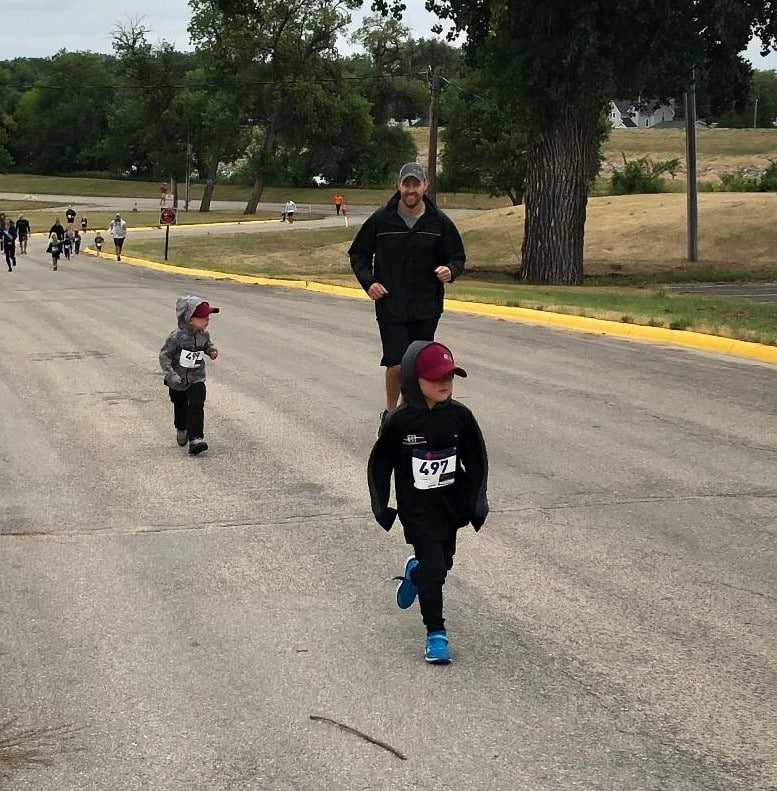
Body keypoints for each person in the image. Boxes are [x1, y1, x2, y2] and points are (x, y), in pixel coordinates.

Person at [367, 340, 489, 664]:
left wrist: (477, 501)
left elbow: (476, 458)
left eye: (449, 376)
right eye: (435, 378)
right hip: (417, 510)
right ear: (413, 380)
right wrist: (382, 507)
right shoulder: (400, 422)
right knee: (434, 569)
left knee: (442, 565)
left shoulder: (460, 417)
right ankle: (436, 634)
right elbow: (380, 464)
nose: (444, 383)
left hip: (450, 507)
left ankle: (415, 574)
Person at [349, 162, 466, 433]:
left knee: (418, 365)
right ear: (399, 186)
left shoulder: (439, 222)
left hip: (426, 307)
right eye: (406, 184)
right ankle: (391, 415)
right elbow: (358, 254)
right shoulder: (382, 219)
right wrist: (369, 283)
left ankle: (408, 416)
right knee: (397, 363)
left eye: (416, 184)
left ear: (425, 186)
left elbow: (457, 256)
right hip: (391, 304)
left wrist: (450, 270)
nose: (411, 190)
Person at [159, 296, 220, 456]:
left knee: (196, 405)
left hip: (196, 378)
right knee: (180, 407)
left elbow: (207, 345)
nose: (207, 320)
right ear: (190, 319)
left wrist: (211, 351)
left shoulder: (203, 334)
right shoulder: (176, 337)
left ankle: (196, 439)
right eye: (203, 317)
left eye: (208, 317)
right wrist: (171, 375)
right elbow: (164, 356)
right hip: (177, 380)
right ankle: (181, 428)